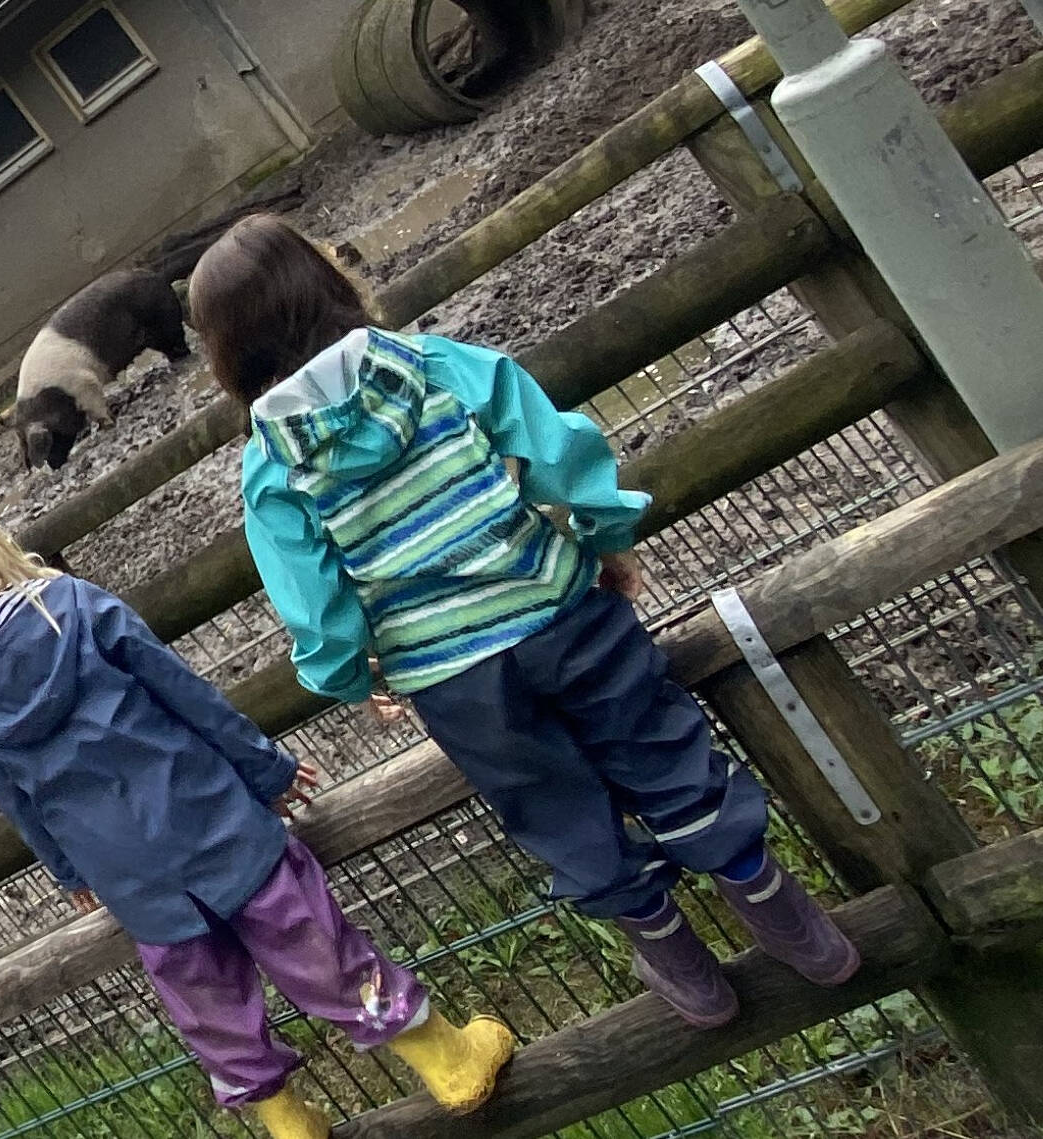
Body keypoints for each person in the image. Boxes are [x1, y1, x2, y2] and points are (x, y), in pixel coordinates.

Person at [188, 214, 860, 1031]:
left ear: (227, 352)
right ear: (328, 282)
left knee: (552, 806)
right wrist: (601, 537)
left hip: (453, 677)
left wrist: (350, 670)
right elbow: (564, 454)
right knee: (661, 750)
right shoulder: (437, 366)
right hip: (559, 608)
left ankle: (681, 962)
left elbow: (311, 600)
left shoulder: (270, 466)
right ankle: (786, 918)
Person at [0, 483, 515, 1139]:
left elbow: (24, 808)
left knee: (207, 1001)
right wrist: (266, 769)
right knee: (312, 942)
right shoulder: (72, 607)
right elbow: (185, 696)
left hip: (134, 881)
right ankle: (447, 1060)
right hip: (213, 822)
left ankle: (287, 1122)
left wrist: (71, 875)